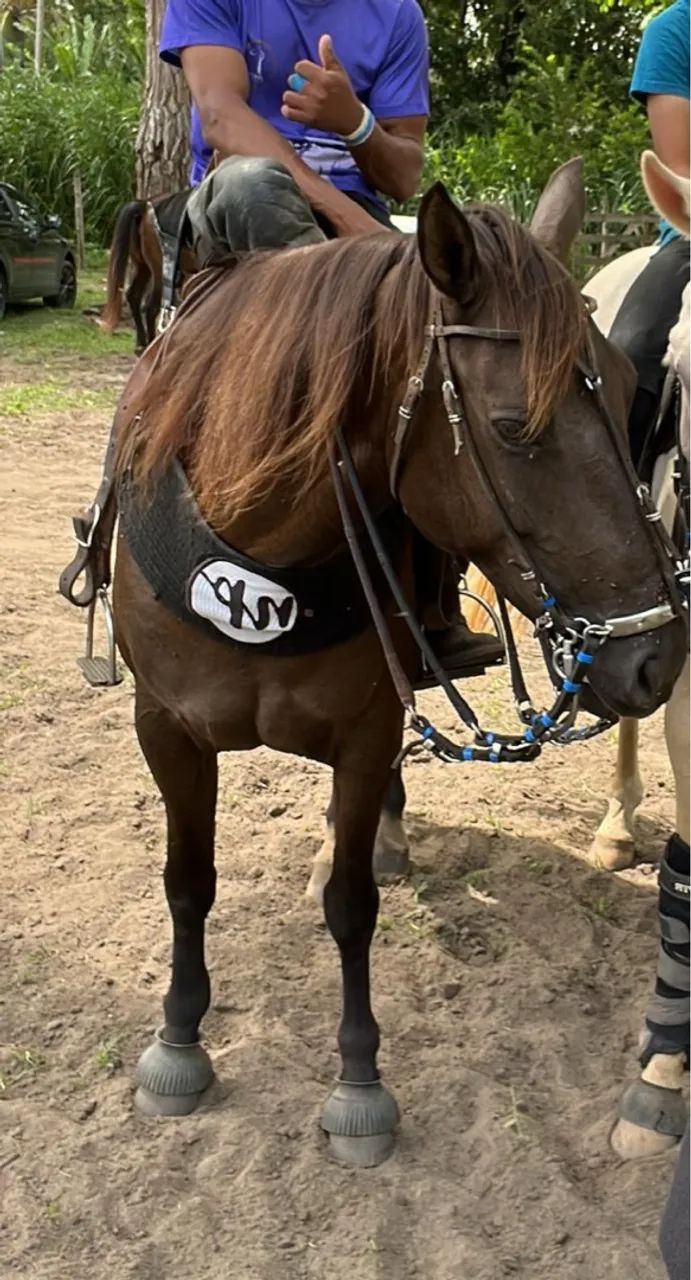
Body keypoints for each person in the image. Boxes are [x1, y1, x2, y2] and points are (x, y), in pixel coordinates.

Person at [158, 0, 504, 677]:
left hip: (361, 235)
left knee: (458, 344)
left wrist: (355, 121)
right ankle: (118, 527)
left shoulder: (395, 14)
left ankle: (431, 599)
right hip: (235, 211)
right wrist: (336, 207)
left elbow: (403, 174)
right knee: (256, 183)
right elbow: (222, 119)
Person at [609, 0, 690, 471]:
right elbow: (679, 166)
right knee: (630, 351)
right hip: (690, 234)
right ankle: (618, 504)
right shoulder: (675, 31)